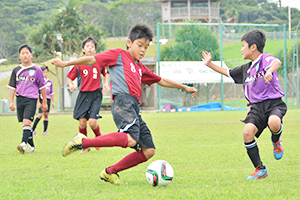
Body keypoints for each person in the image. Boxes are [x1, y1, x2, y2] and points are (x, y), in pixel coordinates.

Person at [51, 24, 197, 184]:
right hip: (123, 102)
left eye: (146, 47)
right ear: (129, 42)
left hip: (134, 107)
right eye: (139, 45)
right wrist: (65, 64)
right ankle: (83, 142)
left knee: (149, 151)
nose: (143, 50)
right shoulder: (118, 55)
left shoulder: (140, 67)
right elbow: (93, 59)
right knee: (131, 139)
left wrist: (184, 87)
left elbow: (161, 80)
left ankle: (109, 172)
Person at [202, 29, 287, 180]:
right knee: (247, 133)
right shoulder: (245, 70)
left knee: (274, 122)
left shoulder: (264, 59)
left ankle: (276, 141)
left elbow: (277, 62)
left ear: (253, 47)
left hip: (273, 104)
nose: (241, 49)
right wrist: (209, 64)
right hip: (256, 108)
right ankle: (260, 168)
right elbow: (227, 72)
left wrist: (269, 72)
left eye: (243, 45)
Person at [67, 36, 110, 153]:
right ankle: (85, 146)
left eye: (92, 46)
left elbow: (105, 73)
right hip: (83, 95)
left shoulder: (99, 62)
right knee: (82, 122)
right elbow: (70, 78)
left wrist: (106, 84)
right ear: (83, 49)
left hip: (96, 94)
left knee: (92, 122)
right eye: (87, 46)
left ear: (95, 50)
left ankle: (99, 138)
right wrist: (71, 85)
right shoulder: (79, 64)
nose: (90, 48)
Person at [8, 44, 48, 154]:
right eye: (22, 53)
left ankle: (23, 144)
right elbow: (12, 87)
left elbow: (42, 87)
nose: (25, 55)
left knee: (27, 122)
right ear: (19, 56)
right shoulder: (16, 70)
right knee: (25, 124)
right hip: (19, 99)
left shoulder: (37, 69)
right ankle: (32, 146)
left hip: (31, 99)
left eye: (27, 53)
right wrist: (11, 102)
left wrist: (44, 102)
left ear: (31, 55)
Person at [32, 65, 55, 136]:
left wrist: (53, 102)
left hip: (48, 99)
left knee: (46, 115)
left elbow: (52, 92)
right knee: (40, 115)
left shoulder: (49, 82)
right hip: (41, 99)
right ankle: (32, 130)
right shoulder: (39, 81)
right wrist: (38, 102)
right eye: (43, 72)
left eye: (46, 72)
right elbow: (37, 92)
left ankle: (45, 131)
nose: (45, 73)